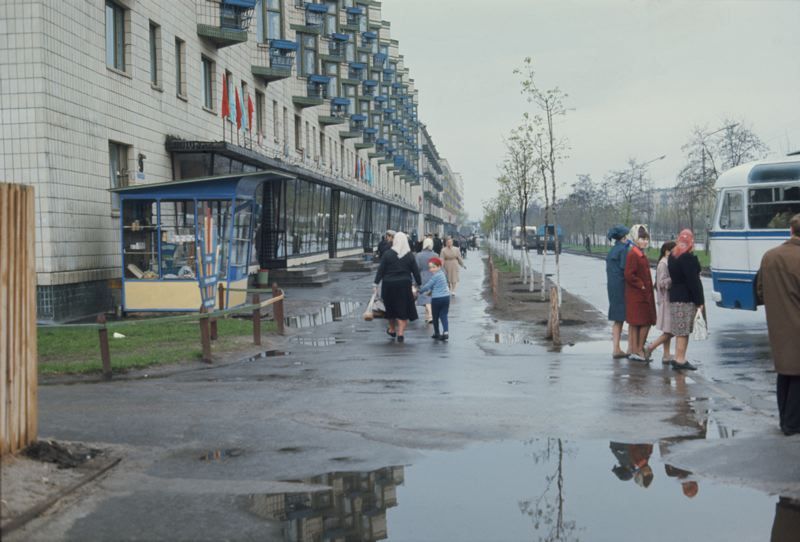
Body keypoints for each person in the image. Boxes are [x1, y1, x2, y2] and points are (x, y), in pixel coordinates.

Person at [756, 213, 800, 436]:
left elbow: (759, 291)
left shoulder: (770, 256)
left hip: (778, 324)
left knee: (785, 372)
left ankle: (785, 419)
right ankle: (792, 424)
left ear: (790, 231)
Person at [373, 232, 421, 343]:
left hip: (389, 285)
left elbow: (381, 270)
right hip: (404, 285)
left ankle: (392, 329)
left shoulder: (388, 254)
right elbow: (416, 271)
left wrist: (375, 284)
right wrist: (418, 284)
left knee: (390, 308)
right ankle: (400, 333)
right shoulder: (409, 255)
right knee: (403, 309)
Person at [667, 229, 704, 371]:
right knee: (683, 331)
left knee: (679, 330)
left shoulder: (673, 255)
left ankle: (677, 356)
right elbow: (693, 281)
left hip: (675, 297)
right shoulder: (687, 258)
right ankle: (680, 360)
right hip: (686, 298)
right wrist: (700, 301)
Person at [624, 225, 657, 362]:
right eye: (642, 238)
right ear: (635, 239)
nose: (645, 241)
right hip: (638, 296)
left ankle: (637, 349)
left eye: (646, 239)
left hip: (642, 295)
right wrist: (642, 285)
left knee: (640, 323)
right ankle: (638, 350)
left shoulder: (639, 253)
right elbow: (628, 274)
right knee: (645, 322)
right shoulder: (634, 254)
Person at [645, 241, 676, 363]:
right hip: (666, 300)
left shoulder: (666, 262)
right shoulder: (664, 264)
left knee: (667, 329)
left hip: (665, 300)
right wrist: (674, 278)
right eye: (673, 250)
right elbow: (662, 283)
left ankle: (666, 355)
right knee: (671, 331)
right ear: (667, 251)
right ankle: (650, 347)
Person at [605, 224, 631, 358]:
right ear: (623, 237)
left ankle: (616, 348)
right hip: (621, 287)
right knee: (629, 318)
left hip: (612, 287)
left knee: (617, 319)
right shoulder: (624, 250)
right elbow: (626, 271)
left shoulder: (613, 250)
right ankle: (629, 348)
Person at [418, 257, 451, 340]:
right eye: (430, 267)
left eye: (433, 267)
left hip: (437, 299)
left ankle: (436, 333)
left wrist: (420, 291)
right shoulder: (442, 274)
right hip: (446, 298)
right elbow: (437, 286)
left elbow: (428, 286)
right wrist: (430, 293)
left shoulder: (435, 276)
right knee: (444, 315)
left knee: (435, 316)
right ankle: (446, 332)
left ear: (439, 266)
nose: (431, 269)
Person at [415, 238, 437, 323]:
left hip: (423, 277)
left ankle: (430, 315)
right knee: (430, 296)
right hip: (433, 276)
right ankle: (427, 316)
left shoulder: (419, 255)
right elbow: (440, 267)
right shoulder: (435, 255)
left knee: (425, 296)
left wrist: (414, 281)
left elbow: (416, 269)